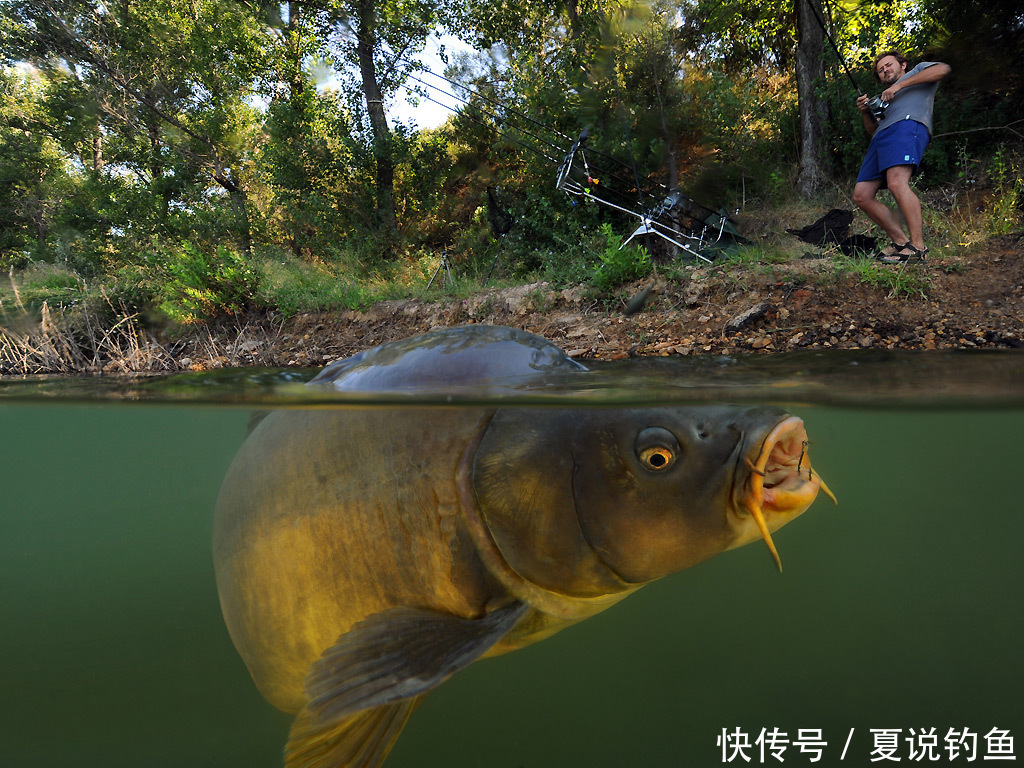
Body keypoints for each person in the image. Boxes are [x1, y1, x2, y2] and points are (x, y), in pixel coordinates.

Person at [852, 51, 951, 262]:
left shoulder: (917, 71)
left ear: (903, 64)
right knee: (862, 195)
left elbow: (943, 69)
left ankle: (918, 248)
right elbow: (872, 128)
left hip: (907, 126)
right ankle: (900, 242)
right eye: (880, 70)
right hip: (880, 138)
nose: (885, 70)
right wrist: (864, 112)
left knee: (897, 183)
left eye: (888, 65)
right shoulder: (883, 99)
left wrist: (899, 86)